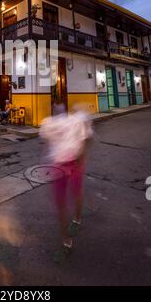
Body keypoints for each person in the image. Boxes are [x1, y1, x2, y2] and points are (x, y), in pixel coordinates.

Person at [39, 105, 93, 256]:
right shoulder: (53, 123)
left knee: (68, 199)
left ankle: (72, 226)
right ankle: (70, 229)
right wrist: (82, 156)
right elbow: (87, 139)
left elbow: (86, 139)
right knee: (65, 200)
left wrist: (81, 157)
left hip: (69, 163)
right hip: (63, 164)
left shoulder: (54, 123)